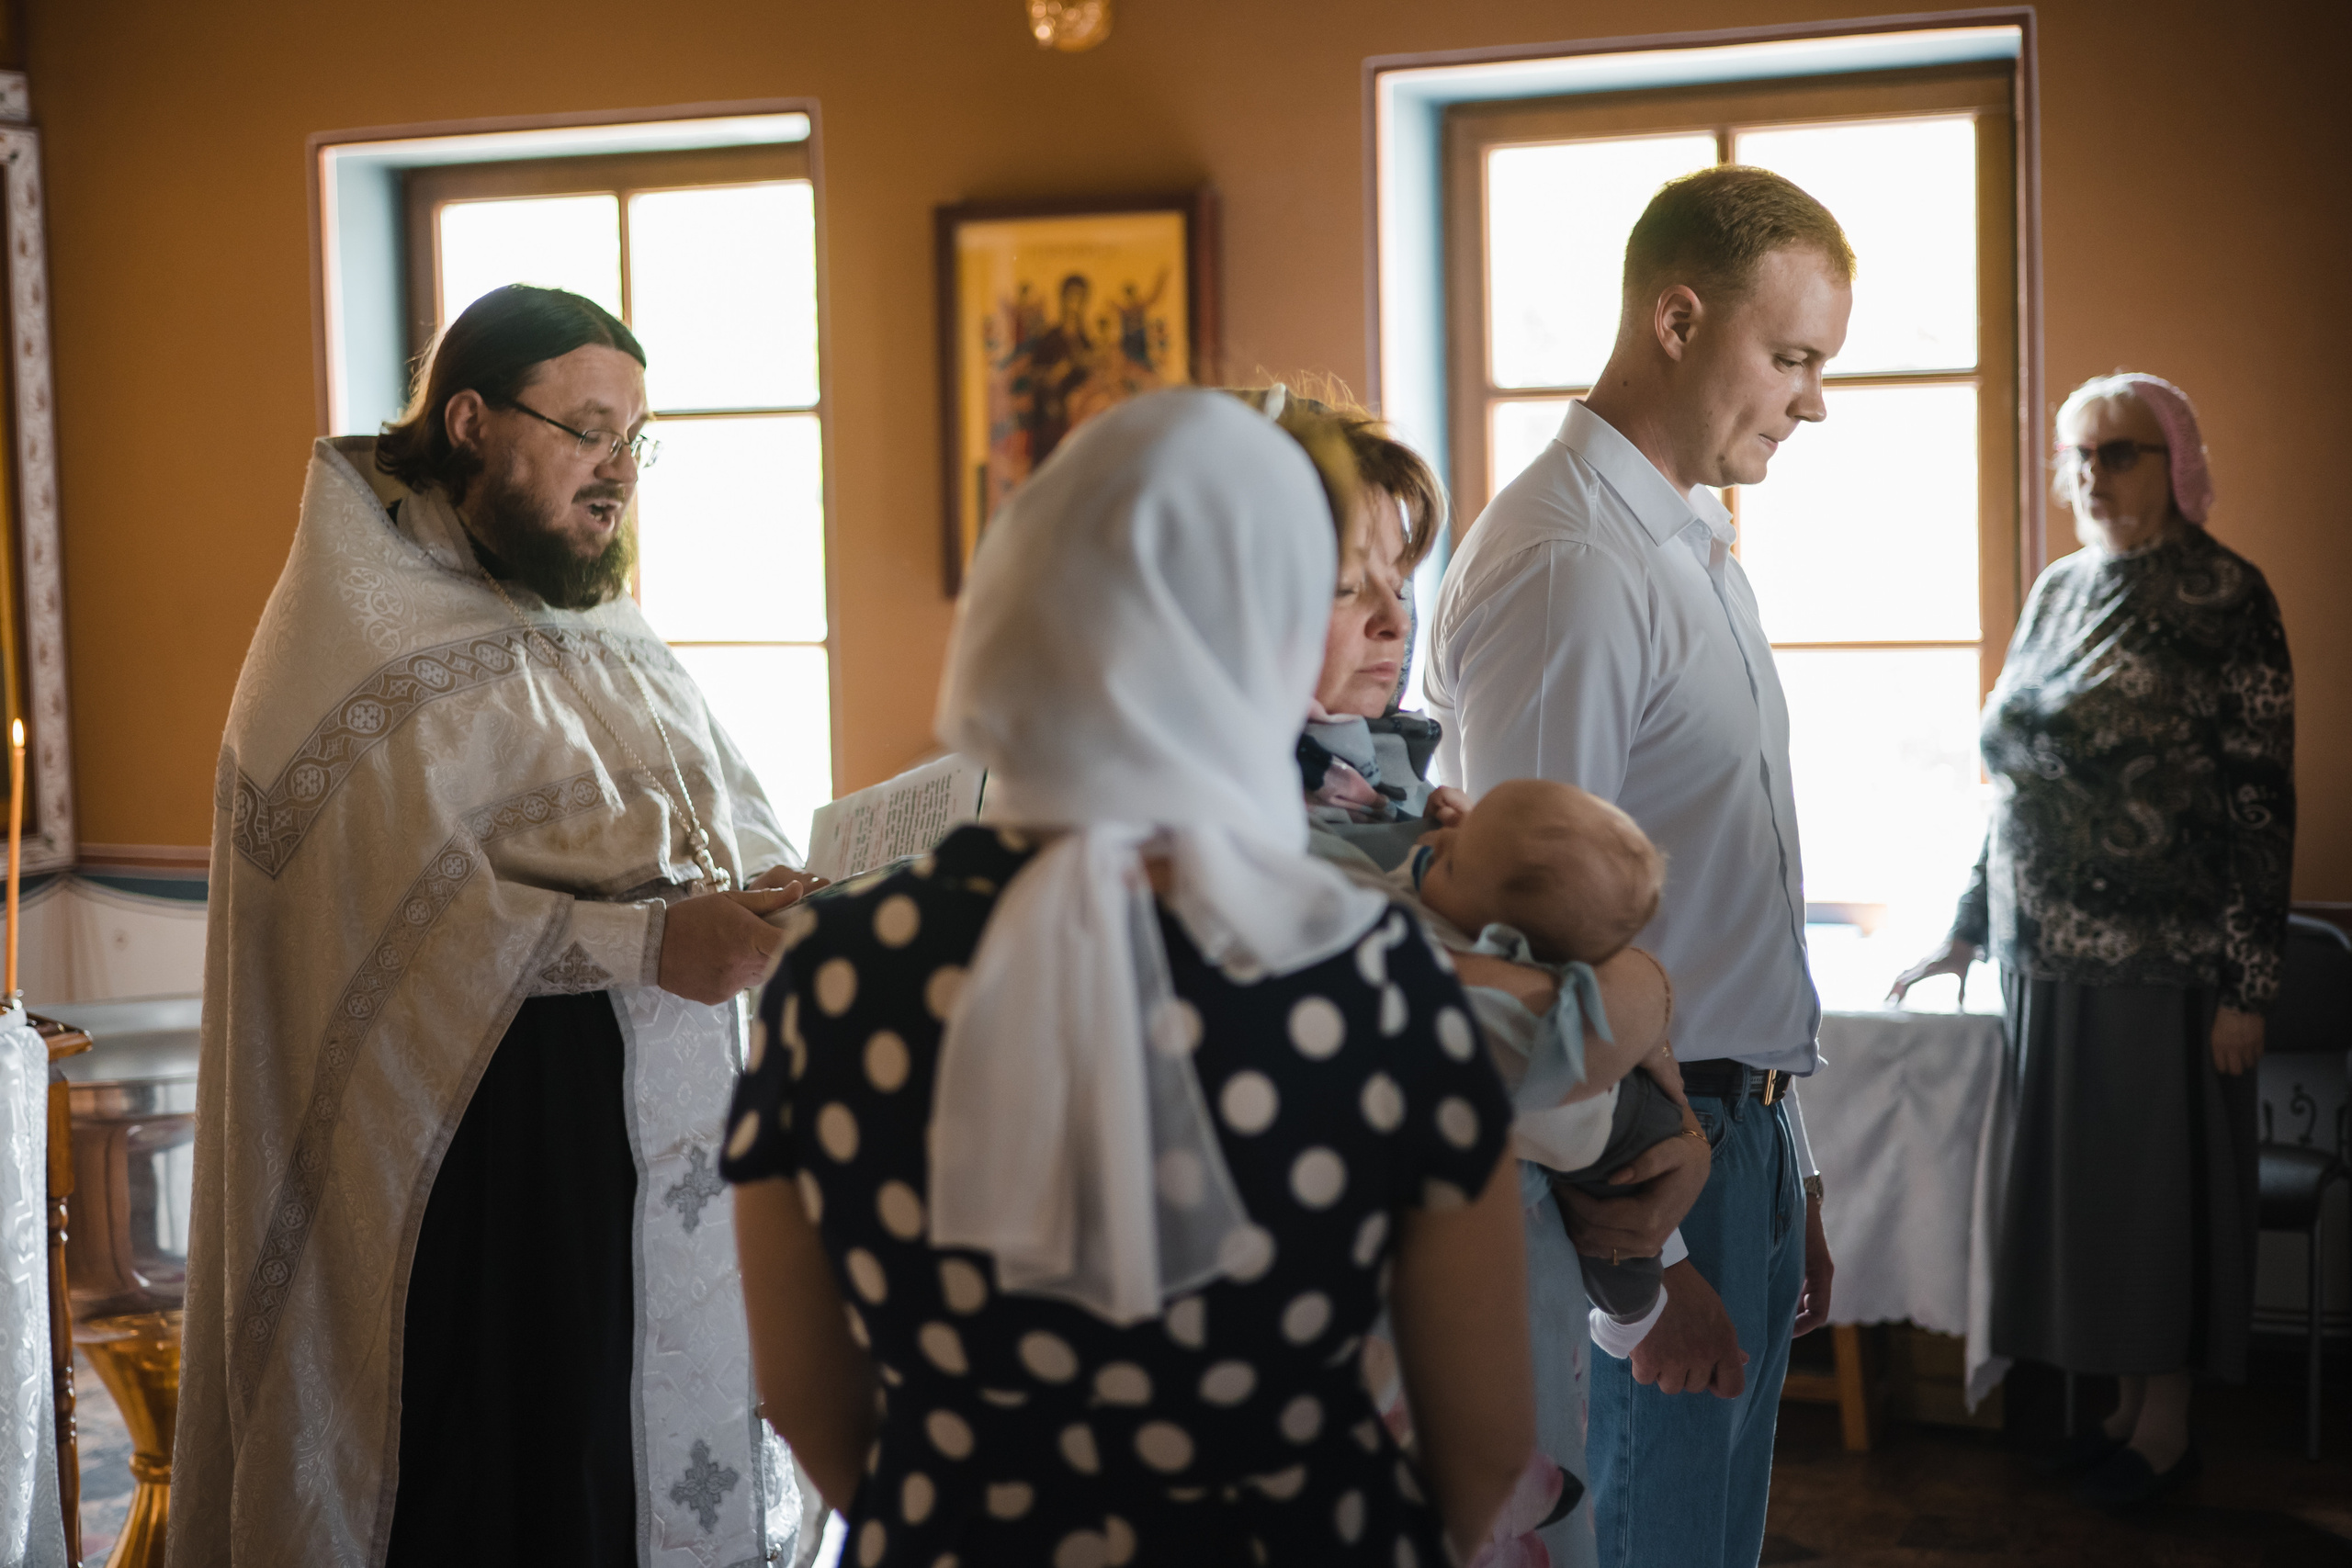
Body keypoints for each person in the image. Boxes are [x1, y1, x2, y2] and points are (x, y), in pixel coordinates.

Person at [723, 389, 1534, 1566]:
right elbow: (1484, 1442)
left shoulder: (835, 976)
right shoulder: (1371, 978)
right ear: (1257, 640)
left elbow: (805, 1399)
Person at [170, 285, 826, 1567]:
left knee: (629, 1472)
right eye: (587, 430)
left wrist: (773, 890)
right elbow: (392, 920)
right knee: (518, 1482)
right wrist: (650, 944)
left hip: (657, 1140)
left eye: (636, 438)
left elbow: (706, 810)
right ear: (471, 420)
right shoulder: (349, 637)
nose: (619, 472)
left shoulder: (595, 614)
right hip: (478, 1166)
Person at [1425, 164, 1850, 1568]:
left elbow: (1730, 890)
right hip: (1646, 1168)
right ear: (1678, 318)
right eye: (1790, 356)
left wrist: (1792, 1161)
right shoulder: (1574, 564)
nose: (1812, 399)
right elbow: (1531, 941)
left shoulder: (1687, 544)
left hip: (1740, 1132)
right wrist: (1647, 1272)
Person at [1244, 383, 1702, 1568]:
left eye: (1401, 578)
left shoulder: (1375, 771)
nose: (1392, 617)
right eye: (1348, 588)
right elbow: (1546, 1033)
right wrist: (1643, 994)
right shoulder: (1247, 827)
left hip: (1501, 1260)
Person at [1891, 371, 2293, 1506]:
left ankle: (2166, 1432)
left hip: (2162, 967)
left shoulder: (2227, 596)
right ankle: (2119, 1414)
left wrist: (2248, 984)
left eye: (2118, 452)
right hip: (2042, 962)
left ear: (2176, 458)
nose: (2093, 475)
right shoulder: (2059, 589)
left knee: (2152, 1201)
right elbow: (2009, 787)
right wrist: (1966, 933)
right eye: (2078, 456)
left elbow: (2262, 799)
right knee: (2086, 1208)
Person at [1403, 780, 1687, 1329]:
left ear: (1504, 940)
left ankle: (1633, 1308)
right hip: (1604, 1093)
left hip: (1618, 1124)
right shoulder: (1494, 915)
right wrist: (1471, 834)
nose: (1432, 845)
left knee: (1621, 1228)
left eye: (1453, 863)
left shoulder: (1483, 973)